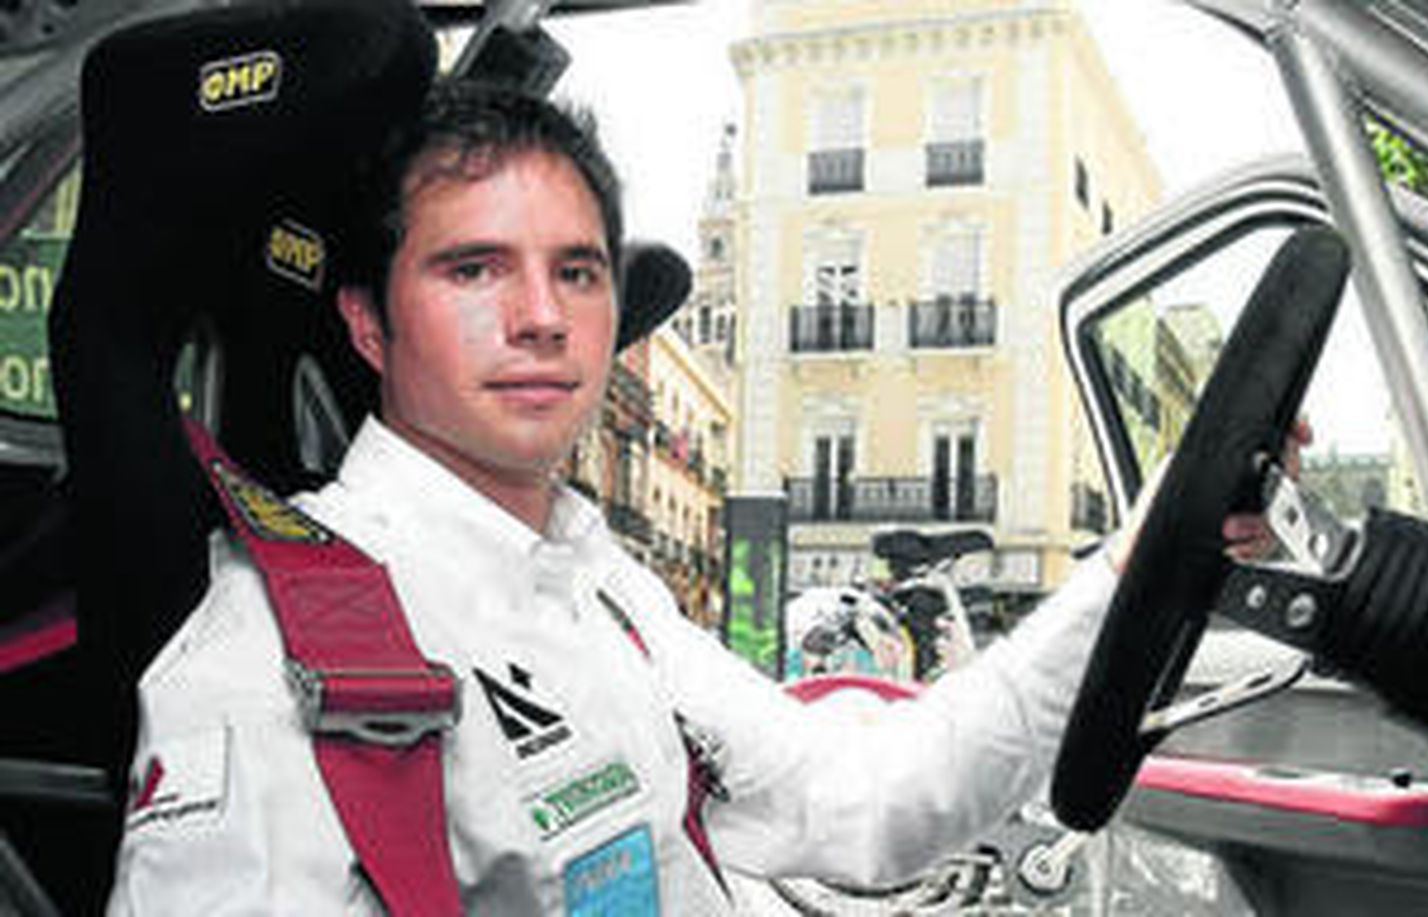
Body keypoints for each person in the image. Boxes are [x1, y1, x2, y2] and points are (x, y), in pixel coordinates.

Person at [105, 77, 1263, 913]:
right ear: (366, 320)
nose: (541, 317)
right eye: (473, 269)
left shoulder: (606, 596)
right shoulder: (266, 655)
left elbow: (865, 803)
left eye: (577, 271)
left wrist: (1129, 566)